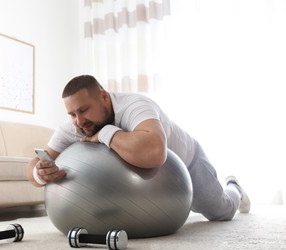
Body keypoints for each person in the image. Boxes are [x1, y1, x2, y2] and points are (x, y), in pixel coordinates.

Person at [26, 75, 250, 221]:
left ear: (104, 97)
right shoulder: (77, 125)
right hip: (152, 181)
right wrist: (41, 173)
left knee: (221, 212)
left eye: (84, 110)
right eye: (72, 114)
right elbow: (32, 167)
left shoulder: (135, 105)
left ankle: (234, 187)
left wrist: (104, 133)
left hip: (188, 162)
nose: (79, 121)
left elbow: (154, 153)